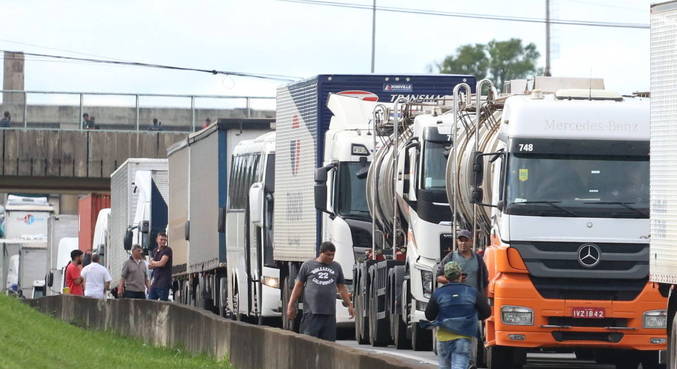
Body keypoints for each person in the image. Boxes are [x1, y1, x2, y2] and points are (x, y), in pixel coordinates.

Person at [426, 261, 491, 369]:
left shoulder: (438, 293)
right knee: (459, 365)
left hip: (443, 338)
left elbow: (429, 315)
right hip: (464, 337)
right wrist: (473, 317)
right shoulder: (472, 291)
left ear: (446, 276)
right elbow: (487, 312)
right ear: (460, 275)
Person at [286, 241, 354, 341]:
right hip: (311, 314)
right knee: (309, 343)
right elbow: (298, 286)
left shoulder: (336, 267)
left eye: (333, 255)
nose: (331, 257)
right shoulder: (308, 266)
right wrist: (291, 305)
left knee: (328, 346)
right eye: (328, 255)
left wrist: (349, 305)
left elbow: (342, 288)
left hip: (329, 315)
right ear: (321, 253)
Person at [436, 230, 489, 296]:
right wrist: (453, 280)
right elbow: (438, 277)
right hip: (455, 298)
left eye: (466, 240)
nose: (463, 243)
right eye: (461, 240)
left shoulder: (478, 259)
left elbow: (485, 282)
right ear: (457, 242)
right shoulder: (450, 257)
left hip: (474, 299)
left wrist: (485, 302)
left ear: (471, 242)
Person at [148, 232, 172, 301]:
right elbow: (150, 266)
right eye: (161, 239)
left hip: (163, 283)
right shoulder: (155, 250)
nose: (163, 241)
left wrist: (154, 263)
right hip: (155, 282)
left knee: (162, 305)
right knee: (151, 303)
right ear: (157, 240)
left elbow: (162, 263)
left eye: (165, 240)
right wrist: (155, 263)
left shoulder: (167, 250)